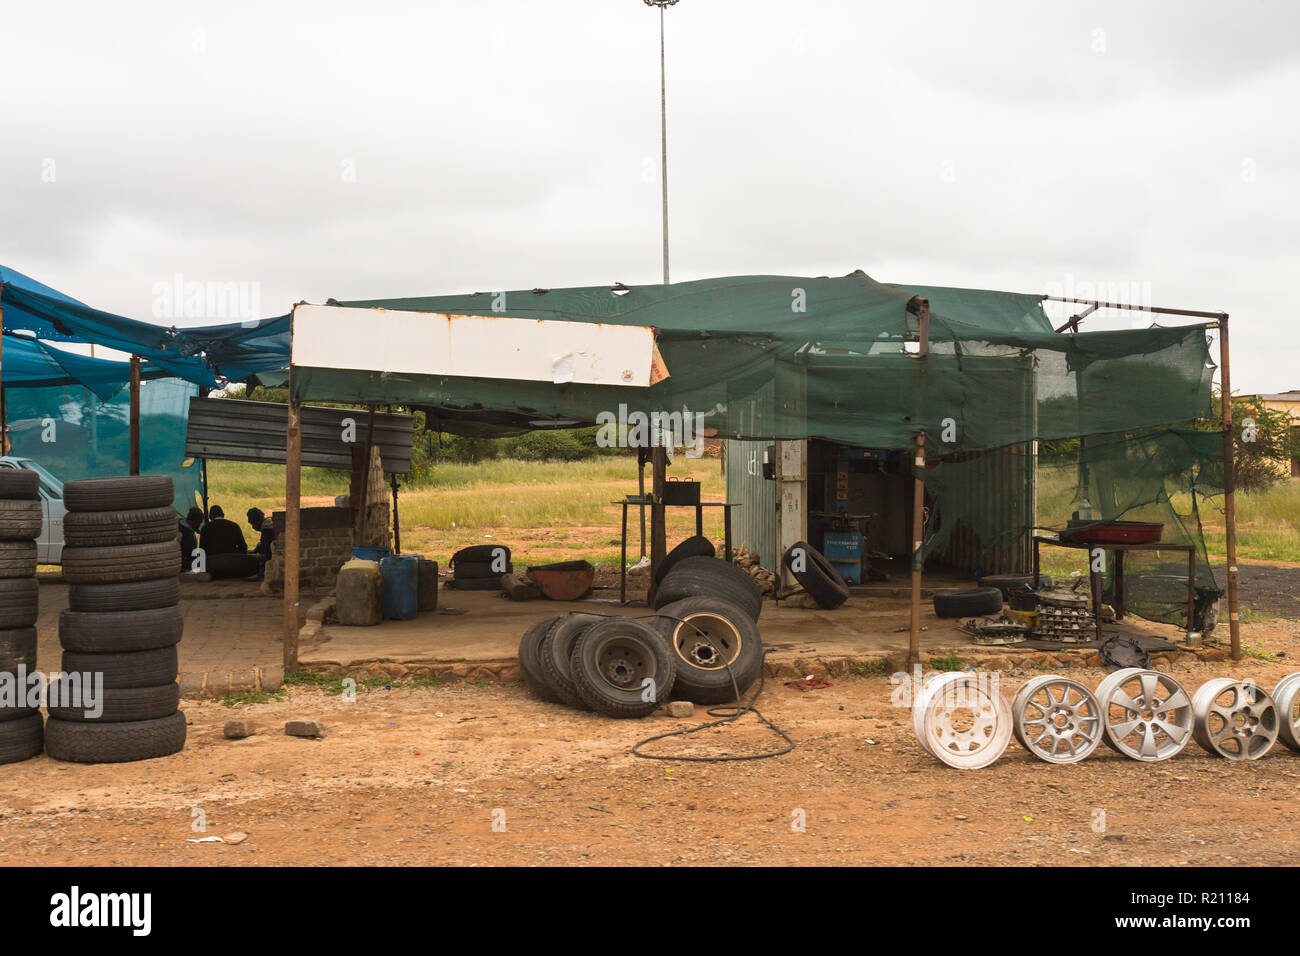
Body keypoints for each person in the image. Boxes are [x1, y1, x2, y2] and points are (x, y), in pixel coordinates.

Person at [179, 506, 203, 571]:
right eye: (199, 523)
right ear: (193, 521)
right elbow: (191, 555)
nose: (199, 526)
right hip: (183, 564)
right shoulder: (189, 535)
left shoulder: (179, 526)